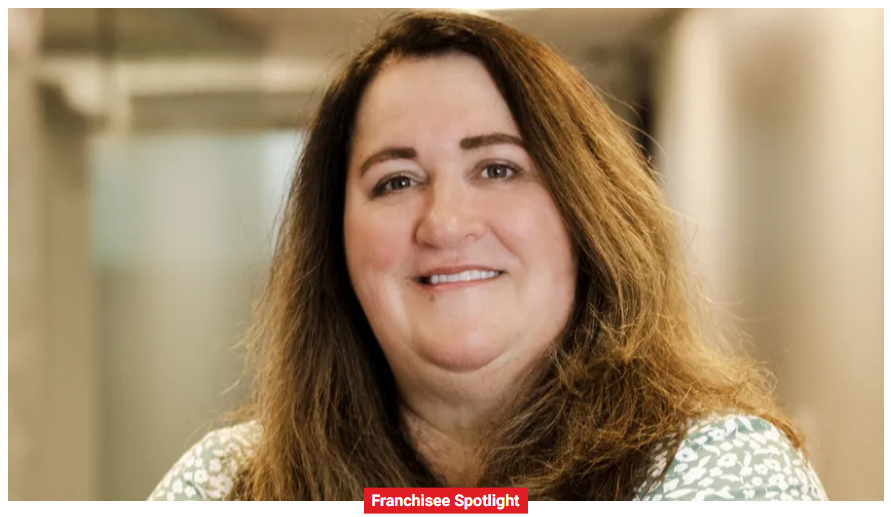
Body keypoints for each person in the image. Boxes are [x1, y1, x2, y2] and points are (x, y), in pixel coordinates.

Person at [149, 10, 827, 501]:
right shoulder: (224, 482)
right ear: (335, 243)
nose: (444, 221)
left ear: (584, 209)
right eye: (396, 180)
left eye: (497, 168)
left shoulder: (717, 469)